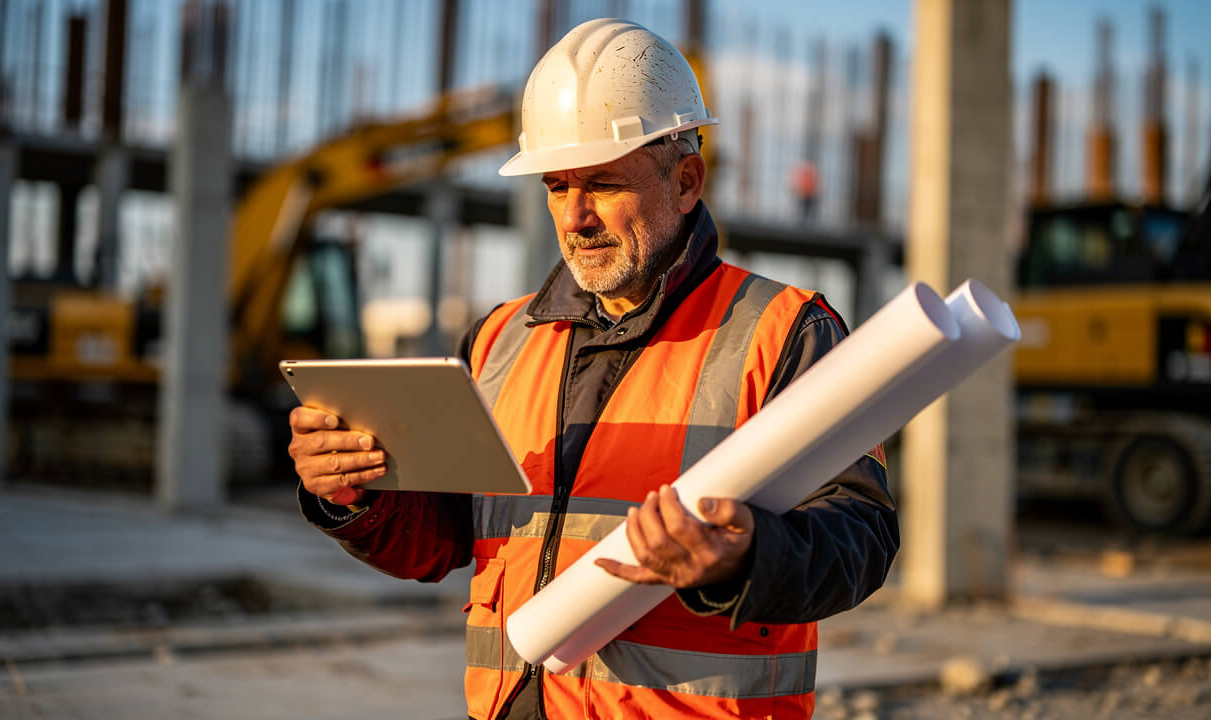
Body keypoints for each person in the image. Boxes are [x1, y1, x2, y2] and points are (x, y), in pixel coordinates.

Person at [288, 18, 897, 720]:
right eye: (555, 185)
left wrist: (744, 558)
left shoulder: (785, 332)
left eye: (603, 184)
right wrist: (354, 494)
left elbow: (862, 538)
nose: (574, 216)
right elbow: (443, 538)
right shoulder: (497, 340)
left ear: (687, 180)